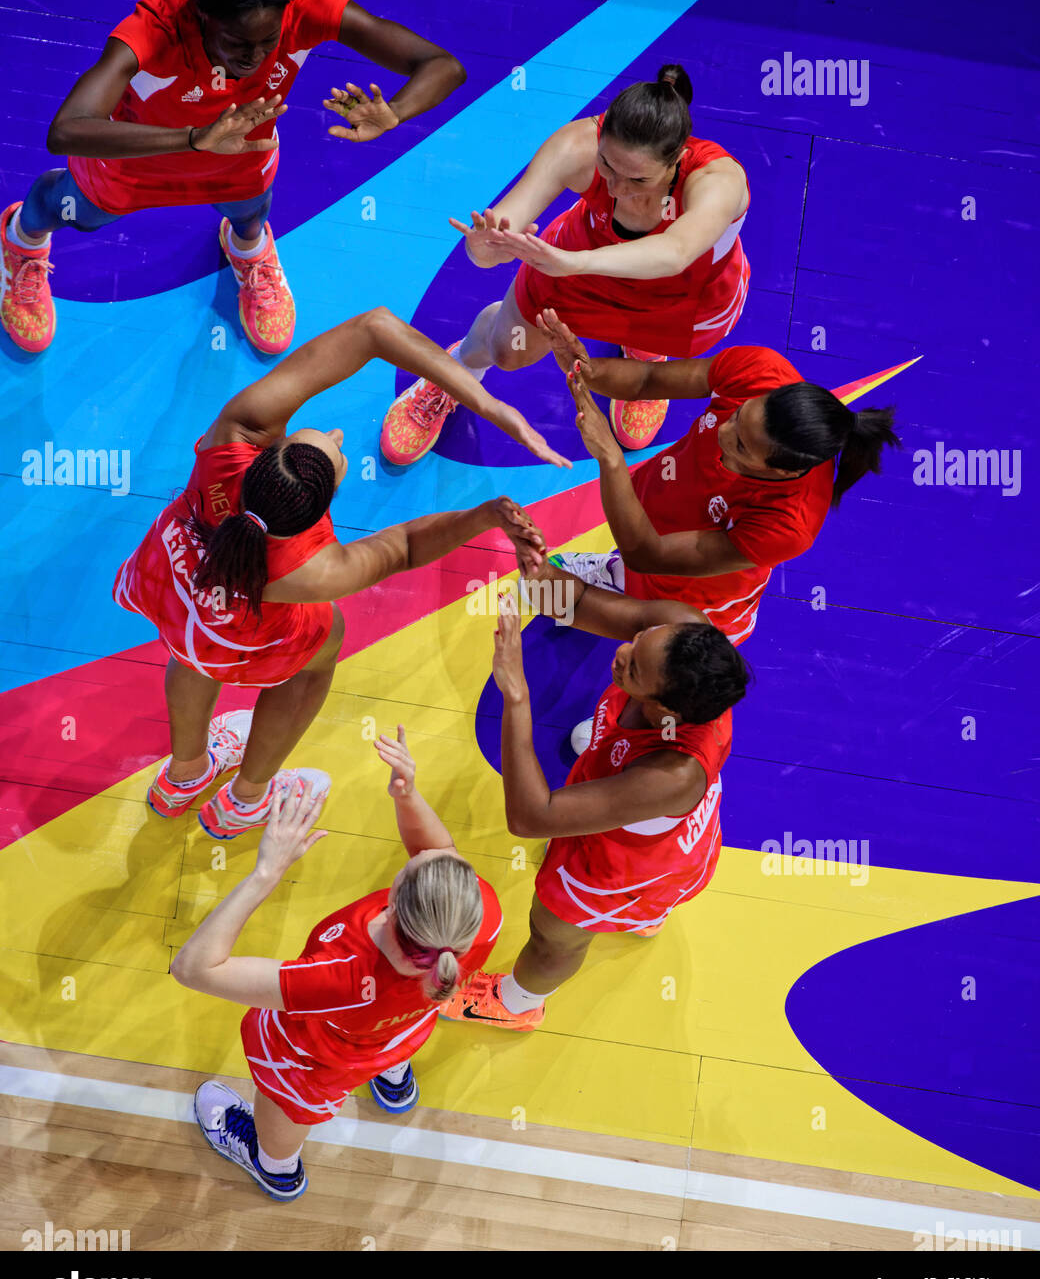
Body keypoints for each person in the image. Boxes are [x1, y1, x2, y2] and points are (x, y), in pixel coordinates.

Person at [113, 306, 548, 841]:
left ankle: (184, 775)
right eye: (337, 451)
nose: (339, 435)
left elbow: (371, 329)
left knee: (191, 655)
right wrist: (484, 513)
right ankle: (246, 801)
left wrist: (481, 398)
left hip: (174, 587)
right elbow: (405, 546)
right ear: (318, 510)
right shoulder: (311, 569)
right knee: (320, 650)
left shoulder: (235, 434)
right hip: (235, 626)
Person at [1, 0, 467, 355]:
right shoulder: (156, 26)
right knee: (72, 210)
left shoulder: (305, 7)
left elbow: (443, 65)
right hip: (132, 162)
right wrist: (193, 139)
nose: (255, 58)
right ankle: (21, 241)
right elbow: (66, 131)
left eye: (268, 42)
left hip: (242, 154)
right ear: (203, 13)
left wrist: (397, 113)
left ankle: (249, 252)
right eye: (238, 43)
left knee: (250, 212)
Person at [172, 726, 503, 1200]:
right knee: (395, 1036)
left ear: (393, 903)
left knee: (286, 1105)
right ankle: (390, 1078)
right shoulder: (477, 916)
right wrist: (407, 797)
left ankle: (276, 1167)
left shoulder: (341, 976)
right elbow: (440, 854)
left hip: (320, 1056)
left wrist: (266, 873)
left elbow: (195, 969)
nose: (429, 851)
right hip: (399, 1029)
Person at [380, 63, 751, 465]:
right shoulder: (577, 145)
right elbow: (499, 231)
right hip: (576, 269)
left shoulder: (718, 179)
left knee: (651, 350)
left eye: (639, 181)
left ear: (677, 158)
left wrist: (574, 263)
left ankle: (645, 351)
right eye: (608, 166)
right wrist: (486, 249)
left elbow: (676, 251)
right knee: (509, 352)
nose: (617, 189)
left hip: (681, 297)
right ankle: (457, 370)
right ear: (601, 135)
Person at [439, 576, 748, 1031]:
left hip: (618, 867)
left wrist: (516, 693)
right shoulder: (683, 637)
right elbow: (582, 601)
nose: (623, 651)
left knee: (552, 936)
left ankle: (519, 1003)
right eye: (640, 638)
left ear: (668, 712)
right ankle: (647, 915)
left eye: (636, 670)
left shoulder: (672, 774)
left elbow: (531, 817)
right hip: (659, 826)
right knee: (642, 881)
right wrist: (533, 567)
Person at [536, 314, 901, 646]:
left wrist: (611, 460)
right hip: (658, 509)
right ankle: (617, 577)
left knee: (655, 659)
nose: (723, 432)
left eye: (741, 445)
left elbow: (648, 555)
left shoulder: (788, 524)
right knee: (627, 571)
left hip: (697, 595)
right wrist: (586, 370)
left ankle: (643, 717)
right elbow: (649, 379)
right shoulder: (760, 372)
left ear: (783, 471)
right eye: (738, 414)